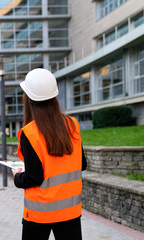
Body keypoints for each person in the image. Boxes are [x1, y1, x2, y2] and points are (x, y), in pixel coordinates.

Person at [12, 68, 87, 240]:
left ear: (28, 99)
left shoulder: (30, 133)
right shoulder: (72, 124)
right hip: (70, 211)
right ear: (54, 96)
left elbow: (34, 177)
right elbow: (82, 164)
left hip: (40, 212)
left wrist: (17, 177)